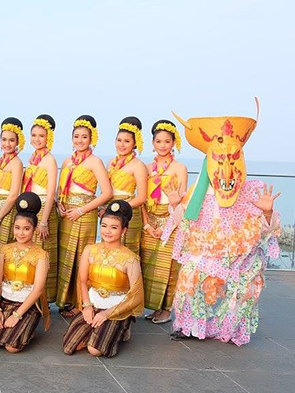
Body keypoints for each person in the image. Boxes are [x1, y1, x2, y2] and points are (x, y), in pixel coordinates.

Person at [166, 100, 281, 345]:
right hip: (203, 251)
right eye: (220, 159)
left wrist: (268, 213)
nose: (226, 166)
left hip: (237, 256)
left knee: (245, 287)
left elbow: (265, 230)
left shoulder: (253, 191)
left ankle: (229, 329)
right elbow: (183, 221)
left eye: (233, 158)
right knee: (189, 279)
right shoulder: (200, 190)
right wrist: (176, 204)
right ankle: (190, 327)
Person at [62, 200, 144, 358]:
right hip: (93, 303)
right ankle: (98, 331)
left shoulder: (130, 259)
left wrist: (107, 314)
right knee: (70, 346)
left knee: (94, 350)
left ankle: (121, 328)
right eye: (104, 225)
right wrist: (86, 306)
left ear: (124, 230)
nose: (107, 231)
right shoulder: (90, 250)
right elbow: (82, 281)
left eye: (114, 227)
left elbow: (136, 295)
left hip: (115, 308)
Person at [56, 115, 113, 317]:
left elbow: (107, 193)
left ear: (92, 139)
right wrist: (59, 203)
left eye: (84, 137)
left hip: (84, 214)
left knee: (81, 257)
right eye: (76, 136)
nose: (80, 140)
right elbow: (62, 188)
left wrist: (81, 210)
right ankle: (66, 301)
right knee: (66, 257)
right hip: (66, 214)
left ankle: (82, 303)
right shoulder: (67, 161)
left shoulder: (95, 162)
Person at [0, 192, 51, 353]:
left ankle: (29, 327)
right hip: (5, 300)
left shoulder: (41, 254)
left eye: (26, 229)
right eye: (18, 228)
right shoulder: (4, 249)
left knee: (12, 346)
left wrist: (17, 315)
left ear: (34, 230)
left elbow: (38, 290)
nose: (21, 233)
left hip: (27, 305)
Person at [140, 120, 187, 324]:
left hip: (172, 220)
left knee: (169, 267)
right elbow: (141, 198)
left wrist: (169, 222)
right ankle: (154, 306)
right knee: (149, 265)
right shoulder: (146, 168)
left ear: (173, 142)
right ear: (152, 143)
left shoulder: (179, 168)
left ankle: (167, 309)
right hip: (150, 221)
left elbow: (183, 201)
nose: (162, 145)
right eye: (158, 141)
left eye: (167, 141)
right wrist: (147, 225)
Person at [22, 115, 59, 300]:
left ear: (48, 138)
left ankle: (42, 296)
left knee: (43, 251)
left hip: (44, 209)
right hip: (31, 208)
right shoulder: (33, 159)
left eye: (41, 136)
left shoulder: (50, 160)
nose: (37, 139)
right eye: (34, 135)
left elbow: (51, 192)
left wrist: (43, 221)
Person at [105, 117, 148, 254]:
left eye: (127, 141)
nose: (122, 145)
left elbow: (142, 197)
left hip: (129, 212)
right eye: (119, 140)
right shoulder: (111, 162)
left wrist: (120, 209)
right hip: (110, 213)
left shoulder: (138, 165)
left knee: (127, 253)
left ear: (135, 143)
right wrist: (103, 208)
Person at [0, 117, 25, 254]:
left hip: (7, 211)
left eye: (11, 140)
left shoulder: (17, 163)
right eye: (4, 139)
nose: (7, 144)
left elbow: (14, 195)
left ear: (17, 142)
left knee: (4, 251)